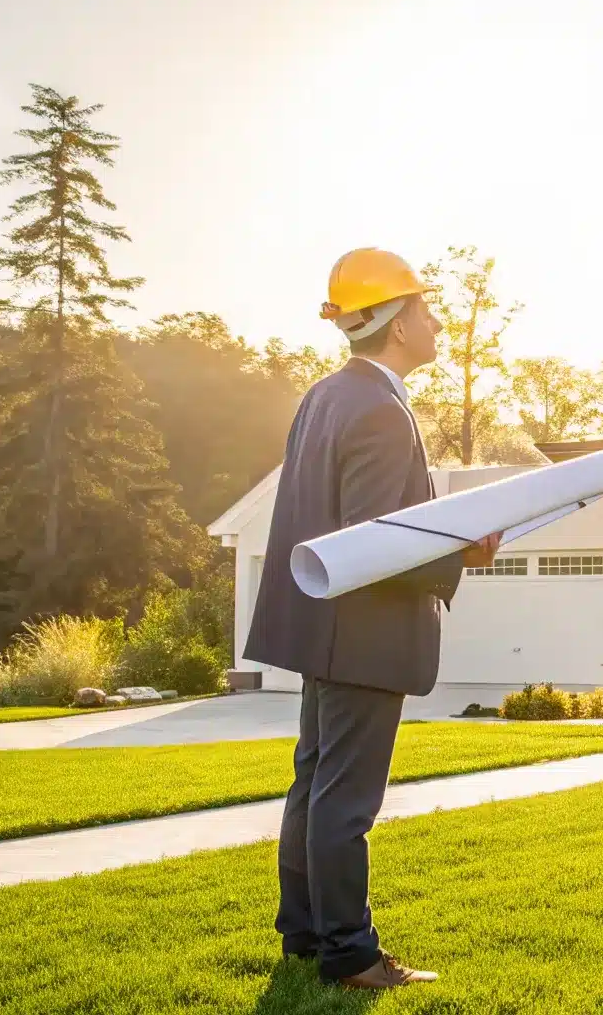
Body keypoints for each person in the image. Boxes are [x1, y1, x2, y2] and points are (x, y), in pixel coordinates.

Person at [244, 247, 501, 989]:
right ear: (394, 322)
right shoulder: (383, 412)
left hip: (323, 628)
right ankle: (350, 953)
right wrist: (463, 556)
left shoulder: (327, 396)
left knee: (316, 782)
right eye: (424, 308)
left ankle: (305, 935)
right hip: (363, 633)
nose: (435, 319)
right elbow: (376, 542)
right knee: (346, 797)